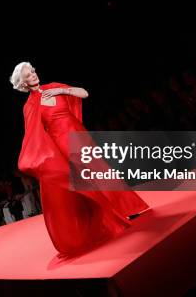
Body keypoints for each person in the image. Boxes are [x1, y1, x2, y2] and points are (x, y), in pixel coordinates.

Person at [10, 61, 149, 258]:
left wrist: (60, 91)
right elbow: (34, 135)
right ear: (23, 83)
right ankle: (105, 221)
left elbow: (84, 93)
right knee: (88, 181)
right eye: (28, 74)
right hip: (62, 145)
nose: (33, 74)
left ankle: (127, 208)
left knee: (103, 172)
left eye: (32, 70)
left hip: (79, 136)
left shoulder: (53, 87)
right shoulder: (30, 105)